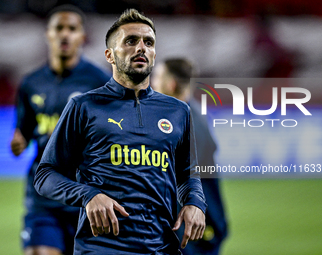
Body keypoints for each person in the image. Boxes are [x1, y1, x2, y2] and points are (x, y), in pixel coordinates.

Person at [34, 9, 207, 255]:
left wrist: (195, 203)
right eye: (130, 41)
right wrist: (88, 195)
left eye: (149, 42)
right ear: (110, 55)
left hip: (161, 247)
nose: (141, 47)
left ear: (155, 54)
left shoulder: (178, 111)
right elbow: (45, 175)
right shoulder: (84, 106)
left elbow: (188, 173)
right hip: (102, 247)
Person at [10, 4, 111, 255]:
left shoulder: (98, 82)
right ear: (48, 34)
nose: (65, 34)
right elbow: (22, 132)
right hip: (43, 197)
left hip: (85, 198)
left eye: (72, 29)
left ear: (82, 36)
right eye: (59, 28)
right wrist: (18, 141)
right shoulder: (31, 84)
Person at [152, 58, 228, 255]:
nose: (152, 83)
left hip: (195, 231)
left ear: (171, 84)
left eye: (157, 77)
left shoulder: (189, 124)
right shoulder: (184, 116)